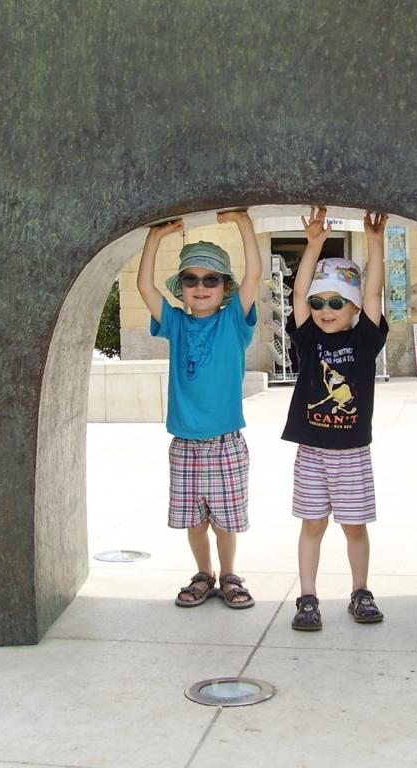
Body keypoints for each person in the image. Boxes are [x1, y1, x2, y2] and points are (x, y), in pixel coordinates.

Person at [136, 210, 262, 609]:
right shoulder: (174, 323)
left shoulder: (234, 322)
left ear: (225, 287)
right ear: (182, 288)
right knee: (194, 521)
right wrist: (156, 237)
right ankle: (203, 574)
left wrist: (243, 223)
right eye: (190, 279)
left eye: (211, 279)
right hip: (185, 444)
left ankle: (229, 575)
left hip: (225, 443)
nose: (201, 287)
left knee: (225, 521)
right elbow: (144, 286)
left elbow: (255, 274)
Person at [281, 206, 390, 631]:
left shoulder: (365, 341)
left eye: (336, 302)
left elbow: (375, 295)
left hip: (352, 455)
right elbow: (296, 296)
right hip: (312, 453)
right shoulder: (309, 339)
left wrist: (375, 244)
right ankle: (308, 598)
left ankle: (360, 591)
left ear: (354, 307)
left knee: (355, 528)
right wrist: (313, 246)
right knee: (312, 525)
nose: (325, 310)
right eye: (319, 302)